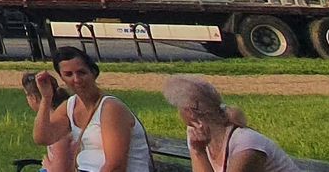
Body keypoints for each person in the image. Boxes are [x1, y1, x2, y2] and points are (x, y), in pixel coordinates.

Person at [30, 47, 150, 172]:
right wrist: (46, 98)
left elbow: (115, 166)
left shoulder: (111, 108)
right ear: (62, 78)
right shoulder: (70, 106)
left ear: (93, 72)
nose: (76, 79)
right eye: (68, 74)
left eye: (81, 72)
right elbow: (43, 138)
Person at [162, 75, 304, 172]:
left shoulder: (246, 143)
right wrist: (197, 150)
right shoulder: (196, 134)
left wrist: (198, 152)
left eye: (179, 108)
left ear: (190, 111)